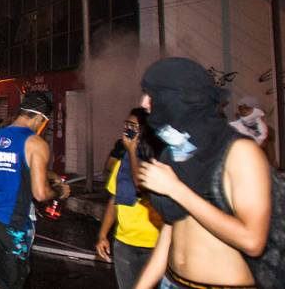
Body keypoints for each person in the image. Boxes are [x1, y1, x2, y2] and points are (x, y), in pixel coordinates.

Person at [134, 58, 272, 289]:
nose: (144, 103)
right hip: (171, 281)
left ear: (179, 98)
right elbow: (172, 227)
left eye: (152, 94)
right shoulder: (179, 149)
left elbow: (253, 241)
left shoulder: (241, 152)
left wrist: (176, 190)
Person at [0, 92, 71, 289]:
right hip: (12, 224)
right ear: (41, 118)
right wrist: (59, 192)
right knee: (14, 281)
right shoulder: (36, 143)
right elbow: (40, 193)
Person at [96, 108, 163, 289]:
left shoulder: (158, 163)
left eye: (133, 126)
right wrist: (103, 235)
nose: (127, 129)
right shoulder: (122, 163)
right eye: (126, 125)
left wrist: (133, 151)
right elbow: (114, 200)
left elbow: (140, 185)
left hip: (154, 244)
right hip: (124, 243)